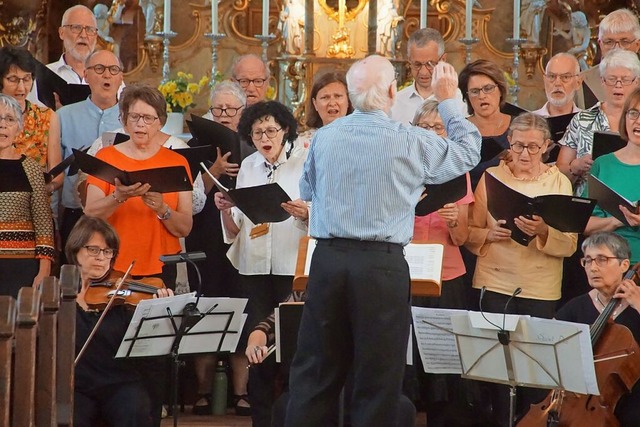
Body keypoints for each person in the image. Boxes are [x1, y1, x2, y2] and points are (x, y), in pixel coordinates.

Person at [284, 55, 481, 427]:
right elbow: (469, 152)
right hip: (380, 265)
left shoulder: (324, 137)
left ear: (351, 96)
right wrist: (449, 100)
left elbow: (307, 189)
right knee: (378, 377)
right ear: (392, 91)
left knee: (314, 373)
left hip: (326, 259)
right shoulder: (409, 139)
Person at [465, 113, 577, 425]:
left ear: (546, 147)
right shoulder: (491, 179)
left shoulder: (559, 182)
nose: (524, 154)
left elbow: (569, 245)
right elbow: (469, 233)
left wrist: (543, 231)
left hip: (540, 287)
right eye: (517, 146)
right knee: (498, 372)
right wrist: (488, 234)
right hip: (495, 281)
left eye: (532, 147)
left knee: (535, 372)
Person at [213, 101, 308, 427]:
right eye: (257, 133)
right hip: (253, 267)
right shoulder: (250, 166)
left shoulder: (305, 162)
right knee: (257, 349)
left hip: (291, 267)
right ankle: (261, 420)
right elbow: (235, 229)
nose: (265, 138)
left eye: (271, 130)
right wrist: (226, 207)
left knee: (293, 349)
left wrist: (305, 212)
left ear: (285, 131)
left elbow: (322, 216)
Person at [67, 215, 173, 427]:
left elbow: (150, 352)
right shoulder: (60, 295)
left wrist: (159, 311)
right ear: (75, 250)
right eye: (93, 249)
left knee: (134, 406)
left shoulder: (124, 300)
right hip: (75, 385)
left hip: (119, 382)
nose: (101, 257)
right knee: (70, 415)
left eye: (107, 252)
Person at [409, 99, 477, 426]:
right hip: (405, 274)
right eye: (426, 127)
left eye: (440, 127)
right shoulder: (401, 167)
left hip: (446, 275)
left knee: (444, 361)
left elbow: (462, 238)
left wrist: (452, 220)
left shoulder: (457, 171)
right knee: (404, 360)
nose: (433, 133)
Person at [84, 83, 193, 283]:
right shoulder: (106, 157)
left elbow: (185, 228)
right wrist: (119, 197)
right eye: (134, 117)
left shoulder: (177, 162)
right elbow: (90, 213)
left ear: (160, 123)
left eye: (148, 118)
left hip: (161, 264)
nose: (140, 124)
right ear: (124, 121)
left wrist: (162, 209)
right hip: (112, 262)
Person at [186, 80, 249, 416]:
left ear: (242, 113)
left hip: (242, 241)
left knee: (242, 309)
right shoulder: (196, 146)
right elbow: (192, 197)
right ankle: (202, 391)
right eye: (218, 109)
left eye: (231, 110)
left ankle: (241, 393)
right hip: (205, 237)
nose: (224, 116)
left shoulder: (253, 143)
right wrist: (215, 170)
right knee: (205, 310)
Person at [556, 232, 640, 426]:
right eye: (587, 260)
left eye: (602, 260)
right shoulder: (576, 306)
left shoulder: (637, 300)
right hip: (585, 398)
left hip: (634, 395)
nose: (593, 267)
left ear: (624, 265)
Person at [58, 49, 124, 260]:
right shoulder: (64, 116)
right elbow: (54, 173)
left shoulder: (132, 120)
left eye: (113, 70)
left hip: (120, 215)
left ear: (121, 77)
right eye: (99, 69)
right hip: (75, 215)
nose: (107, 75)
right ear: (85, 75)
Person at [556, 49, 640, 196]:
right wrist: (575, 167)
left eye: (625, 79)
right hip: (588, 205)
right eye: (612, 79)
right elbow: (558, 174)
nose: (618, 85)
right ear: (602, 81)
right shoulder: (581, 120)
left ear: (637, 82)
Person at [0, 94, 54, 298]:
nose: (2, 125)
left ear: (19, 128)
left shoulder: (30, 168)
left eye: (10, 119)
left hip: (22, 266)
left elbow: (43, 221)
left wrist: (44, 270)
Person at [582, 86, 640, 265]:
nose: (638, 121)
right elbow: (584, 225)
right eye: (633, 113)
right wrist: (617, 220)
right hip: (604, 267)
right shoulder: (603, 164)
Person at [0, 46, 62, 194]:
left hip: (34, 204)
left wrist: (50, 187)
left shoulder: (47, 117)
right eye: (13, 80)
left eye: (27, 79)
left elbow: (57, 172)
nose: (21, 88)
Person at [390, 28, 466, 125]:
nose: (423, 72)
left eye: (430, 64)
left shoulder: (458, 101)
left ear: (443, 59)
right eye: (417, 64)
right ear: (409, 60)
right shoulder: (395, 102)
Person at [459, 59, 512, 190]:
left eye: (488, 88)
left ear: (500, 90)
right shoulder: (460, 130)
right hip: (467, 206)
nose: (482, 96)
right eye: (475, 91)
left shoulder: (520, 127)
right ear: (467, 97)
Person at [579, 8, 640, 108]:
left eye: (624, 42)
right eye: (609, 42)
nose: (617, 49)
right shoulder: (581, 82)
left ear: (638, 45)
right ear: (600, 44)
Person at [532, 52, 582, 117]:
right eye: (552, 76)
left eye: (565, 77)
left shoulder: (588, 122)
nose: (557, 83)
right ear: (544, 80)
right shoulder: (530, 121)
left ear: (578, 83)